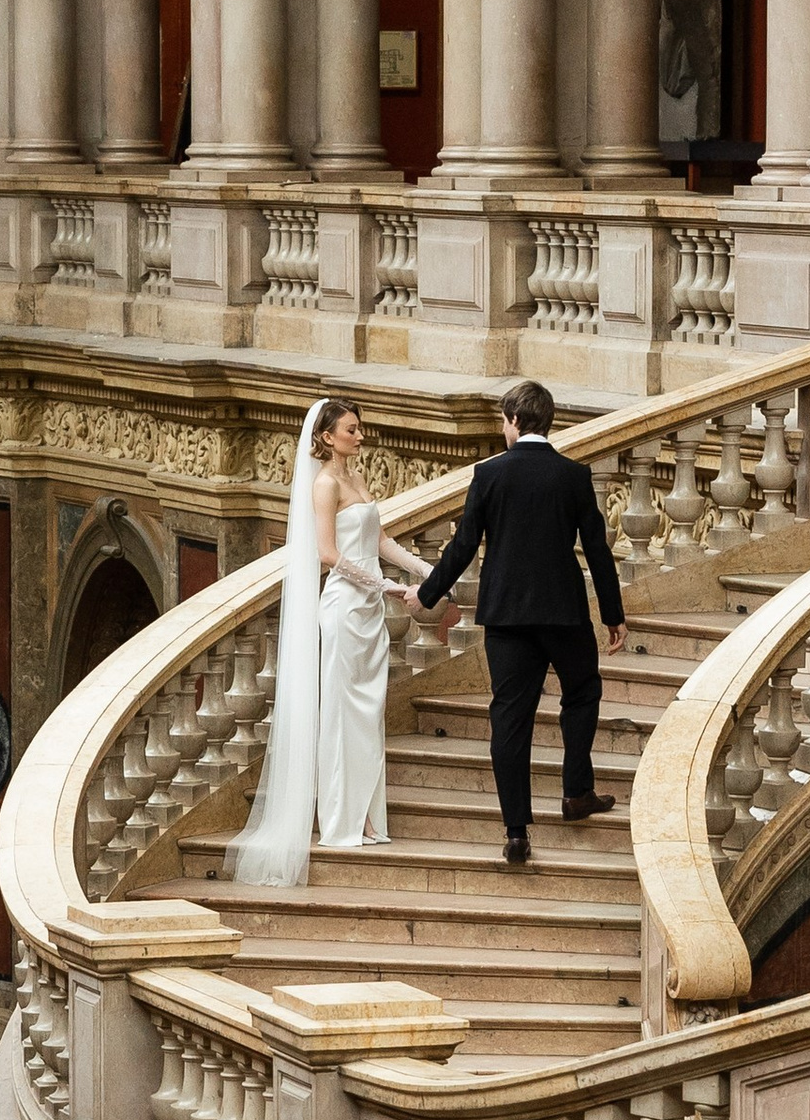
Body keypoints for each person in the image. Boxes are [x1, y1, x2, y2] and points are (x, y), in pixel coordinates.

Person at [406, 379, 626, 870]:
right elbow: (596, 550)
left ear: (514, 420)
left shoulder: (488, 475)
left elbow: (462, 547)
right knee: (583, 693)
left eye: (503, 422)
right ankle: (576, 793)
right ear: (544, 421)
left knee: (509, 719)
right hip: (564, 613)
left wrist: (426, 594)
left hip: (506, 617)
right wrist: (612, 614)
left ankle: (515, 833)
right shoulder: (573, 475)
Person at [230, 397, 435, 887]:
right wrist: (388, 587)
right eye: (350, 430)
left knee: (369, 711)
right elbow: (327, 554)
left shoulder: (356, 479)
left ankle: (365, 814)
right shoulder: (324, 484)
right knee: (343, 713)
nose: (359, 437)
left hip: (369, 611)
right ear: (325, 437)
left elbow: (380, 541)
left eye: (360, 429)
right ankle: (344, 821)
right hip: (344, 607)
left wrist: (427, 571)